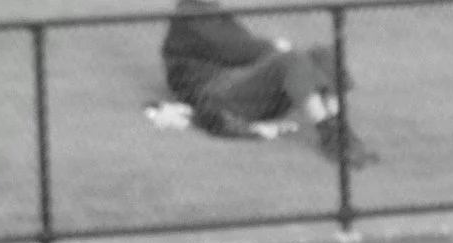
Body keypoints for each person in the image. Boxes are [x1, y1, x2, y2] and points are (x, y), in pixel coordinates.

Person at [143, 0, 375, 167]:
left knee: (322, 54)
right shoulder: (191, 15)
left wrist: (278, 51)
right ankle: (328, 134)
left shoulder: (209, 11)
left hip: (240, 88)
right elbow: (236, 49)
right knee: (290, 60)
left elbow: (243, 48)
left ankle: (339, 126)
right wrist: (275, 48)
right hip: (218, 97)